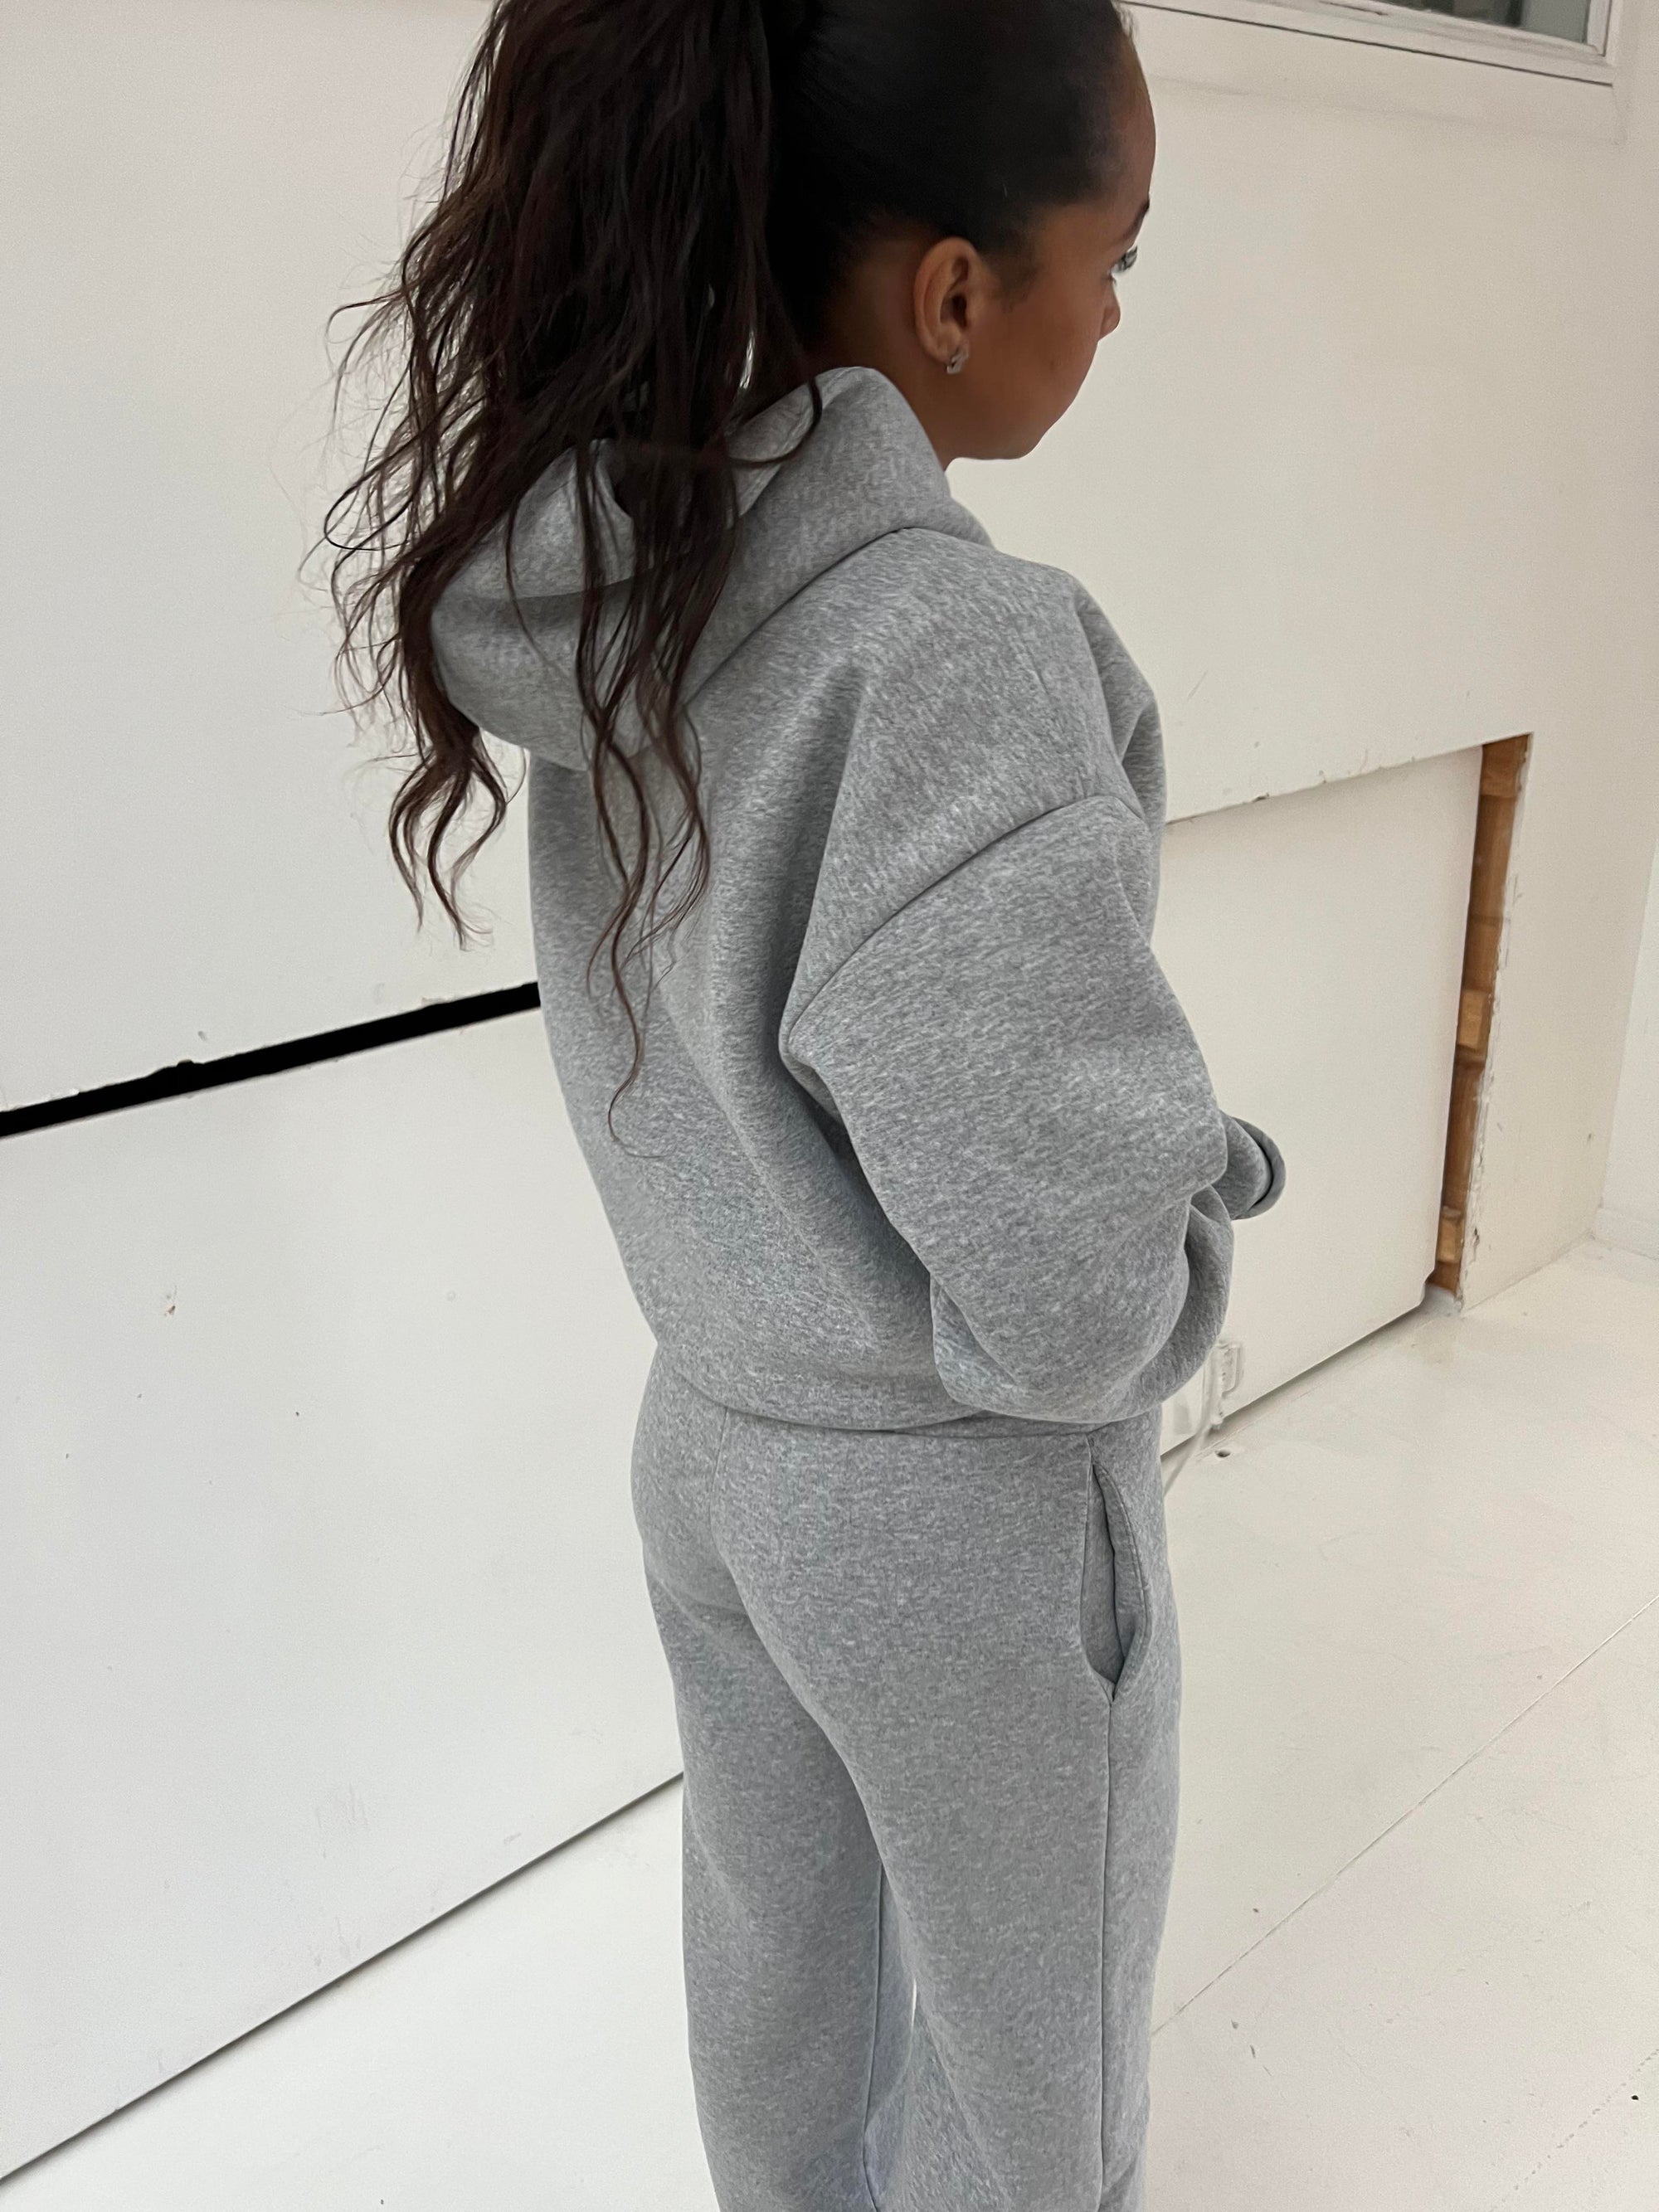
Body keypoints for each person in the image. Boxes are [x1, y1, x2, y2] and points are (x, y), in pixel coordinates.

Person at [328, 2, 1285, 2205]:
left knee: (782, 1970)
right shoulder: (948, 653)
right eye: (1117, 255)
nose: (1116, 311)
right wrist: (1189, 1220)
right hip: (948, 1512)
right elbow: (1068, 1287)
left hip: (715, 1443)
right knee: (1025, 2057)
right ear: (955, 294)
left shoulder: (635, 589)